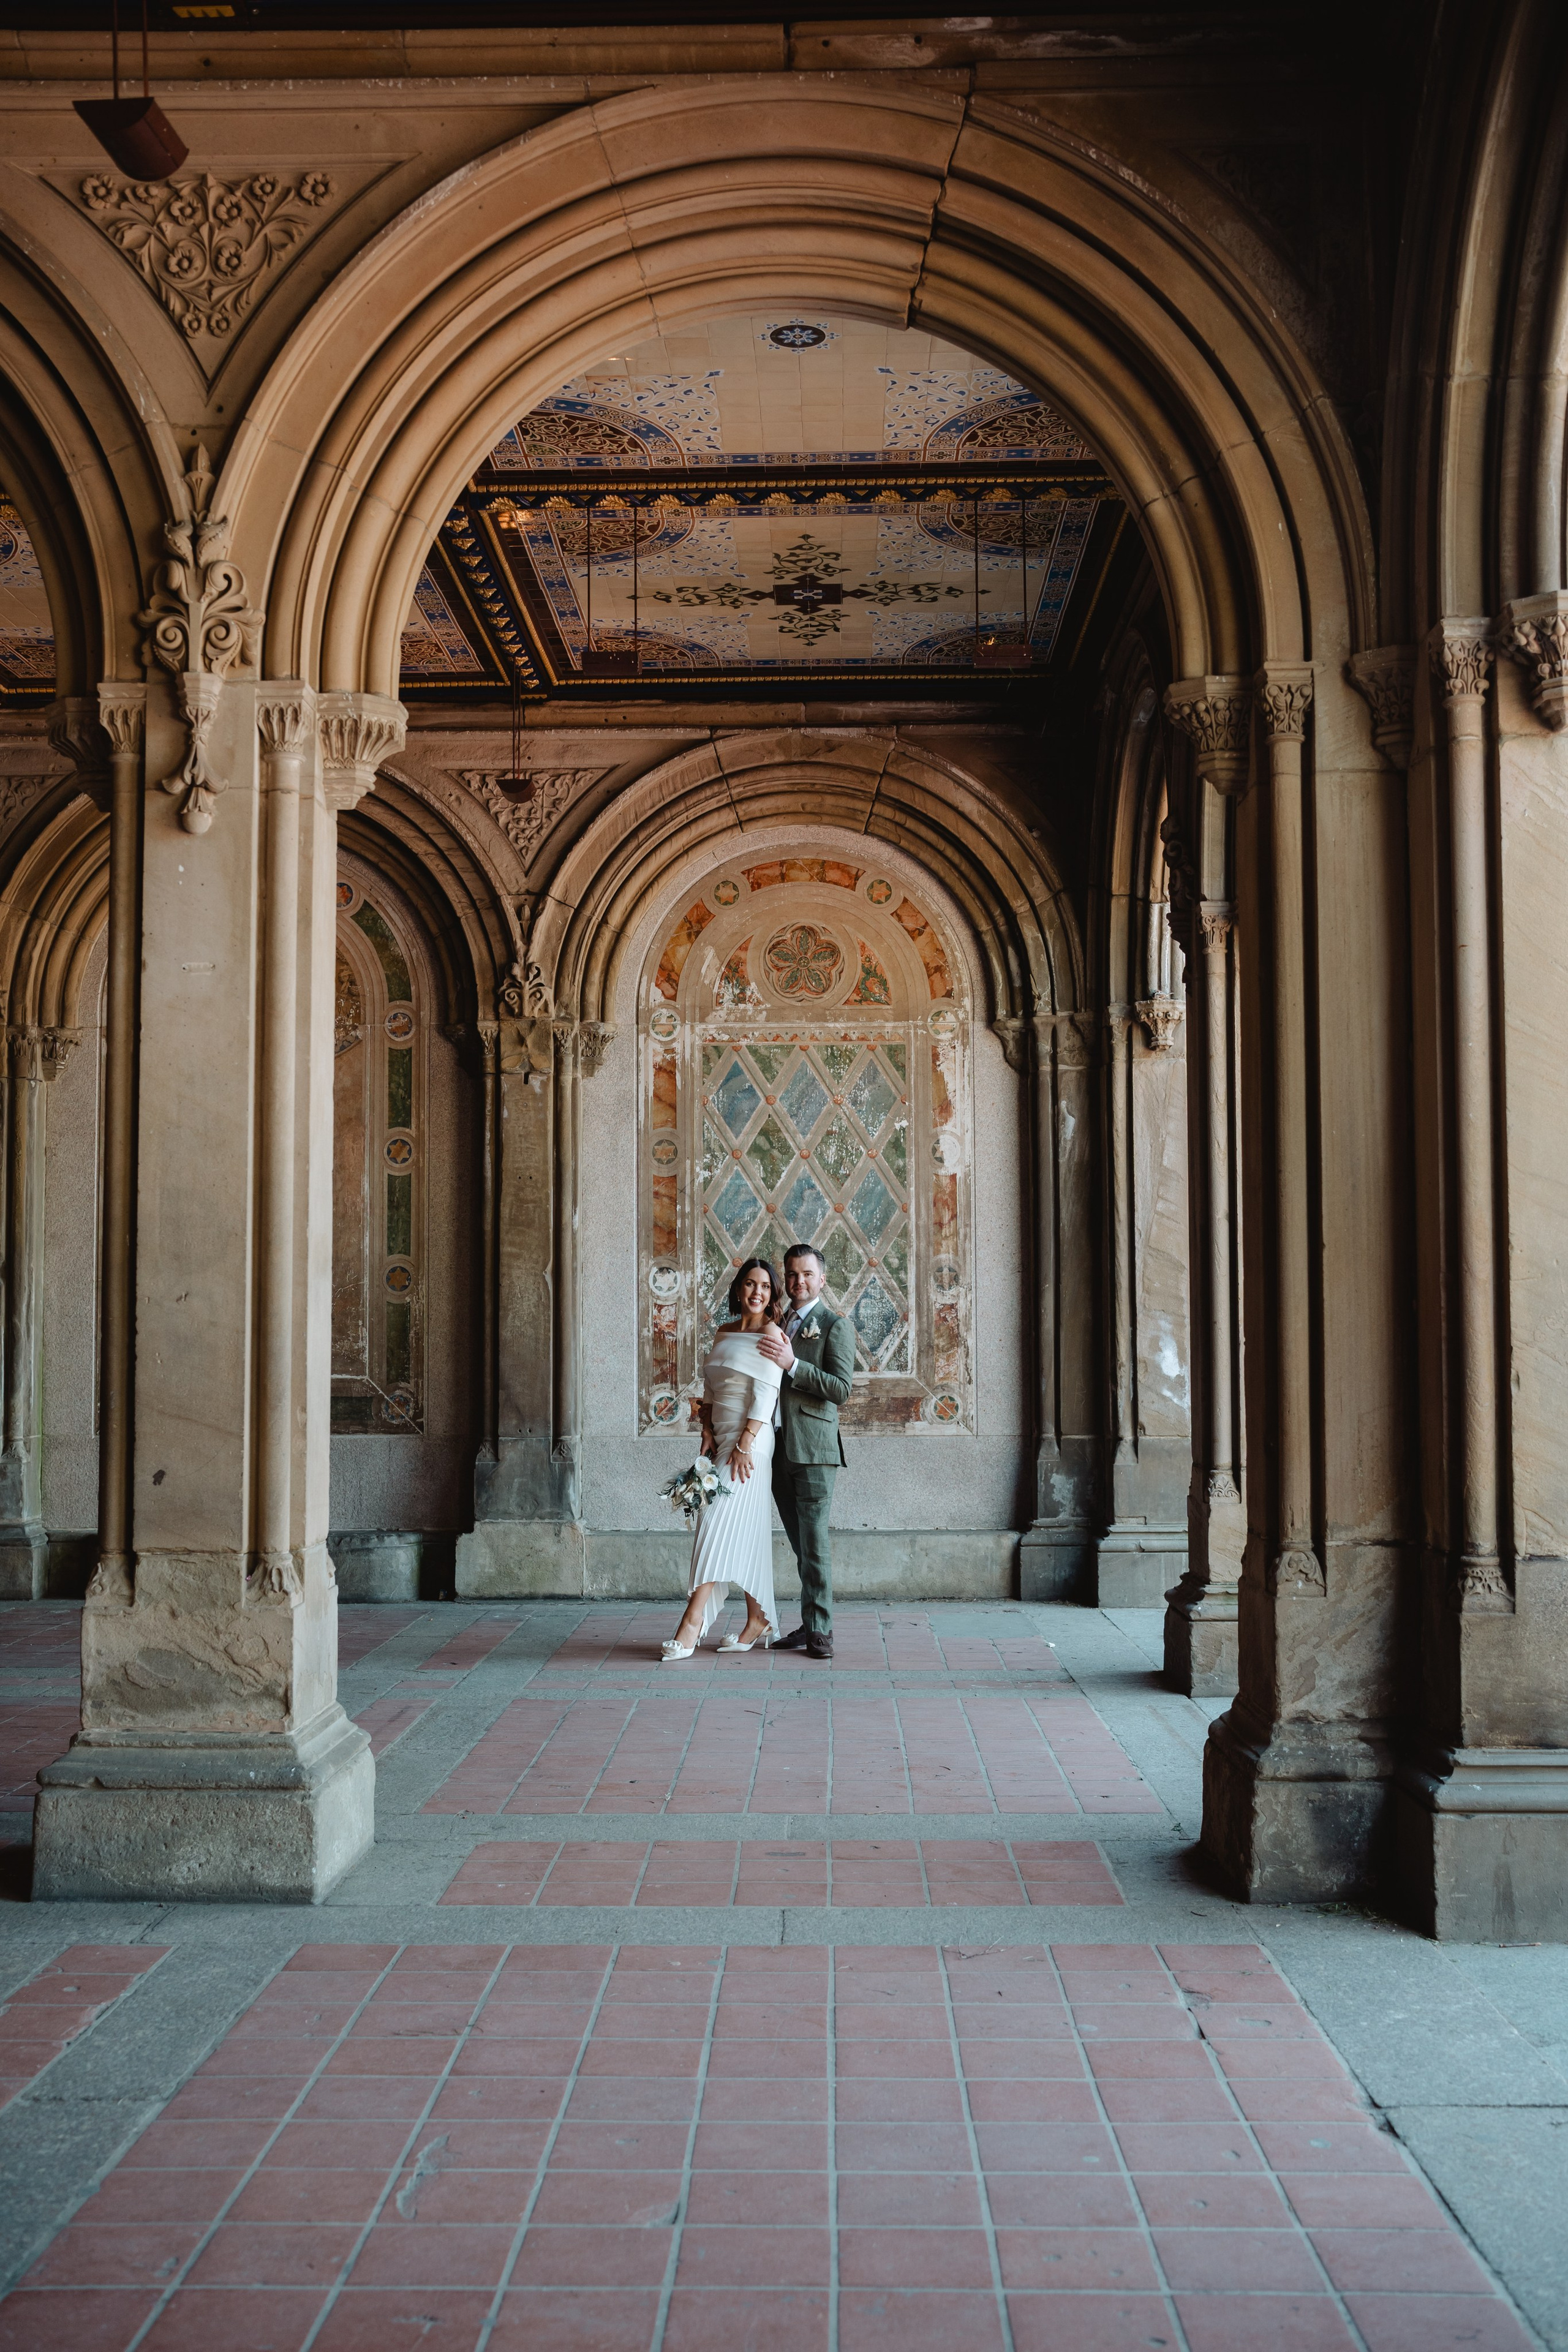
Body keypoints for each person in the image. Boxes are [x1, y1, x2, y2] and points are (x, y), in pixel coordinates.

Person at [660, 1257, 784, 1661]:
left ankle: (691, 1623)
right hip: (722, 1437)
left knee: (712, 1524)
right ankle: (757, 1618)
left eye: (765, 1287)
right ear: (738, 1289)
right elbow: (710, 1390)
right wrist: (707, 1429)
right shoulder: (723, 1332)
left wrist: (746, 1443)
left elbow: (766, 1395)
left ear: (772, 1295)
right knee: (743, 1529)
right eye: (750, 1284)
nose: (757, 1293)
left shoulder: (772, 1333)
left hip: (752, 1441)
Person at [757, 1242, 854, 1660]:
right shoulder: (777, 1321)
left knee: (814, 1544)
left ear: (822, 1279)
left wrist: (794, 1364)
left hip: (814, 1451)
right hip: (776, 1450)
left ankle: (822, 1634)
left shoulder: (834, 1325)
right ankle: (811, 1622)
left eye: (807, 1274)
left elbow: (841, 1389)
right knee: (800, 1545)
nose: (798, 1282)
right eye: (792, 1274)